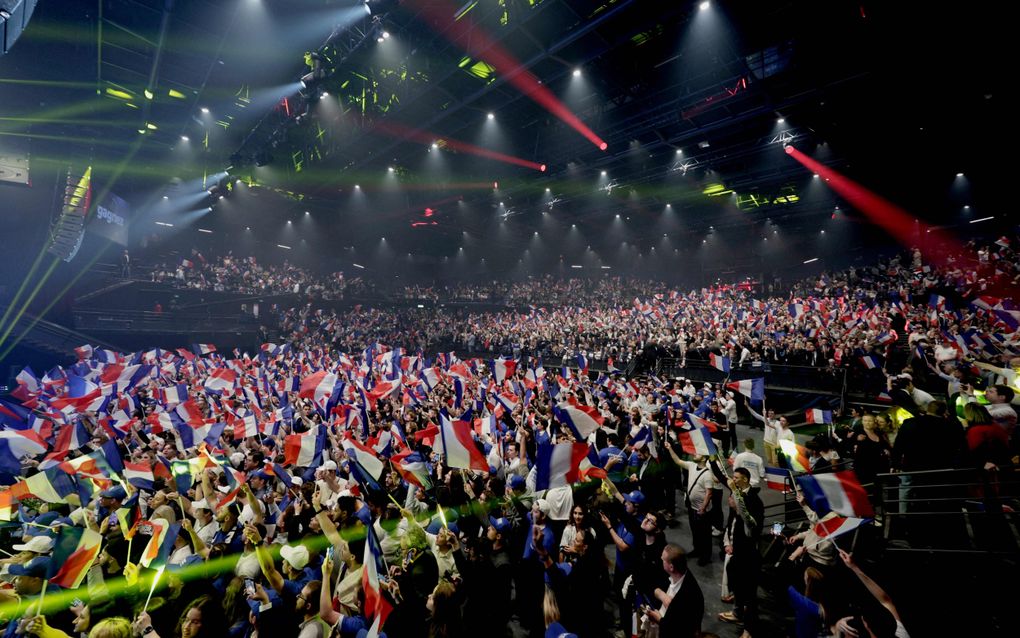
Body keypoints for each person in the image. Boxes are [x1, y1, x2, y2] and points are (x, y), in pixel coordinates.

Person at [832, 550, 910, 638]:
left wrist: (838, 628)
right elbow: (885, 600)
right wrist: (854, 567)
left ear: (867, 626)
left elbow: (885, 601)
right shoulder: (901, 635)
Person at [639, 544, 703, 638]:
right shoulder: (677, 571)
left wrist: (659, 620)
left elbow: (681, 629)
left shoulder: (690, 595)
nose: (660, 559)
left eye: (663, 559)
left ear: (671, 567)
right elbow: (648, 582)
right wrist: (660, 594)